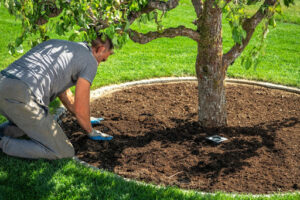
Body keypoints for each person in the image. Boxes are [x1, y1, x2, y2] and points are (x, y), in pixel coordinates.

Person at [0, 35, 114, 159]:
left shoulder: (58, 45)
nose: (98, 65)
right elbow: (81, 106)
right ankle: (2, 144)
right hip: (21, 94)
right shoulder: (90, 61)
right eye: (102, 60)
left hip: (4, 82)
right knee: (63, 151)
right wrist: (90, 131)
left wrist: (84, 117)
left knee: (22, 129)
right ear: (100, 49)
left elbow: (65, 94)